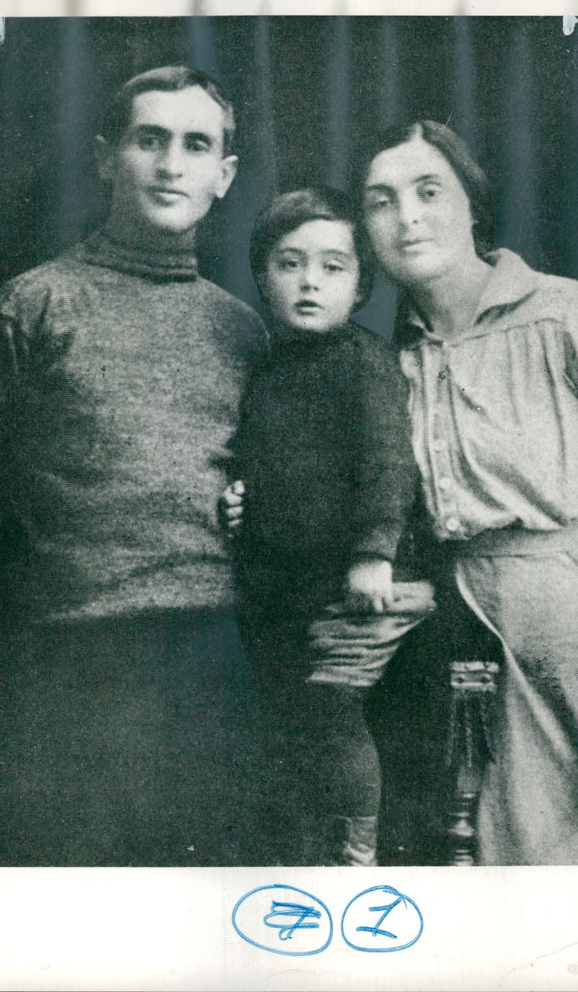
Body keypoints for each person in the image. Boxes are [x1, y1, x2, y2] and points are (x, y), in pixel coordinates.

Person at [0, 66, 269, 866]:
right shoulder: (30, 307)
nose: (172, 164)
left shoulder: (245, 334)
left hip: (211, 660)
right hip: (64, 661)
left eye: (195, 145)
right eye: (150, 139)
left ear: (223, 176)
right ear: (108, 157)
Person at [356, 119, 578, 865]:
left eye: (427, 191)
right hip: (452, 645)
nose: (407, 217)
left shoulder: (570, 315)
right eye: (382, 201)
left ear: (472, 205)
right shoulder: (387, 362)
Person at [222, 188, 435, 866]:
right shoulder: (266, 372)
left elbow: (385, 461)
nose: (309, 281)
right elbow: (270, 465)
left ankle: (356, 849)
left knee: (332, 714)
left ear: (361, 285)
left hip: (355, 584)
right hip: (285, 588)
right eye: (289, 264)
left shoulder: (363, 362)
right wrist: (242, 502)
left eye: (332, 267)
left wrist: (373, 551)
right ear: (262, 276)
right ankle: (306, 847)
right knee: (285, 720)